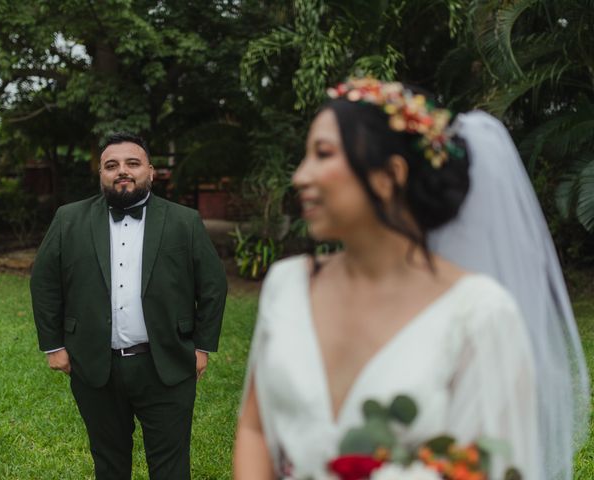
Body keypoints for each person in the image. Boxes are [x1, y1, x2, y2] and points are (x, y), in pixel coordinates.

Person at [233, 78, 589, 479]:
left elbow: (495, 466)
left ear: (390, 175)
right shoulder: (287, 286)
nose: (300, 177)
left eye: (323, 154)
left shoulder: (481, 316)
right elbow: (255, 429)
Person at [30, 132, 227, 480]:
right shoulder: (68, 219)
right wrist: (54, 345)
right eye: (112, 165)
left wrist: (202, 346)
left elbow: (212, 286)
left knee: (171, 466)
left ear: (150, 172)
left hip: (166, 364)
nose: (123, 171)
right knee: (108, 462)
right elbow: (44, 283)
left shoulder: (185, 221)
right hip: (94, 365)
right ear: (101, 174)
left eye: (132, 163)